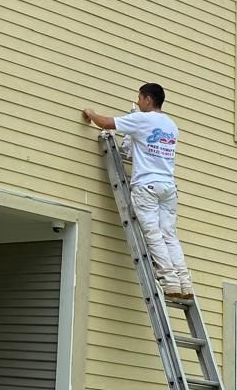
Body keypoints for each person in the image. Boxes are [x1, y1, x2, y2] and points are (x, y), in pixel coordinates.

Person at [81, 84, 194, 296]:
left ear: (148, 99)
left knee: (153, 234)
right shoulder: (171, 125)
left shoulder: (143, 120)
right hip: (168, 187)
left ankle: (170, 281)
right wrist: (130, 140)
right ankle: (184, 282)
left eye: (140, 98)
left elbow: (106, 123)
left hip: (147, 186)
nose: (139, 102)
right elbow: (137, 147)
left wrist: (91, 113)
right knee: (169, 235)